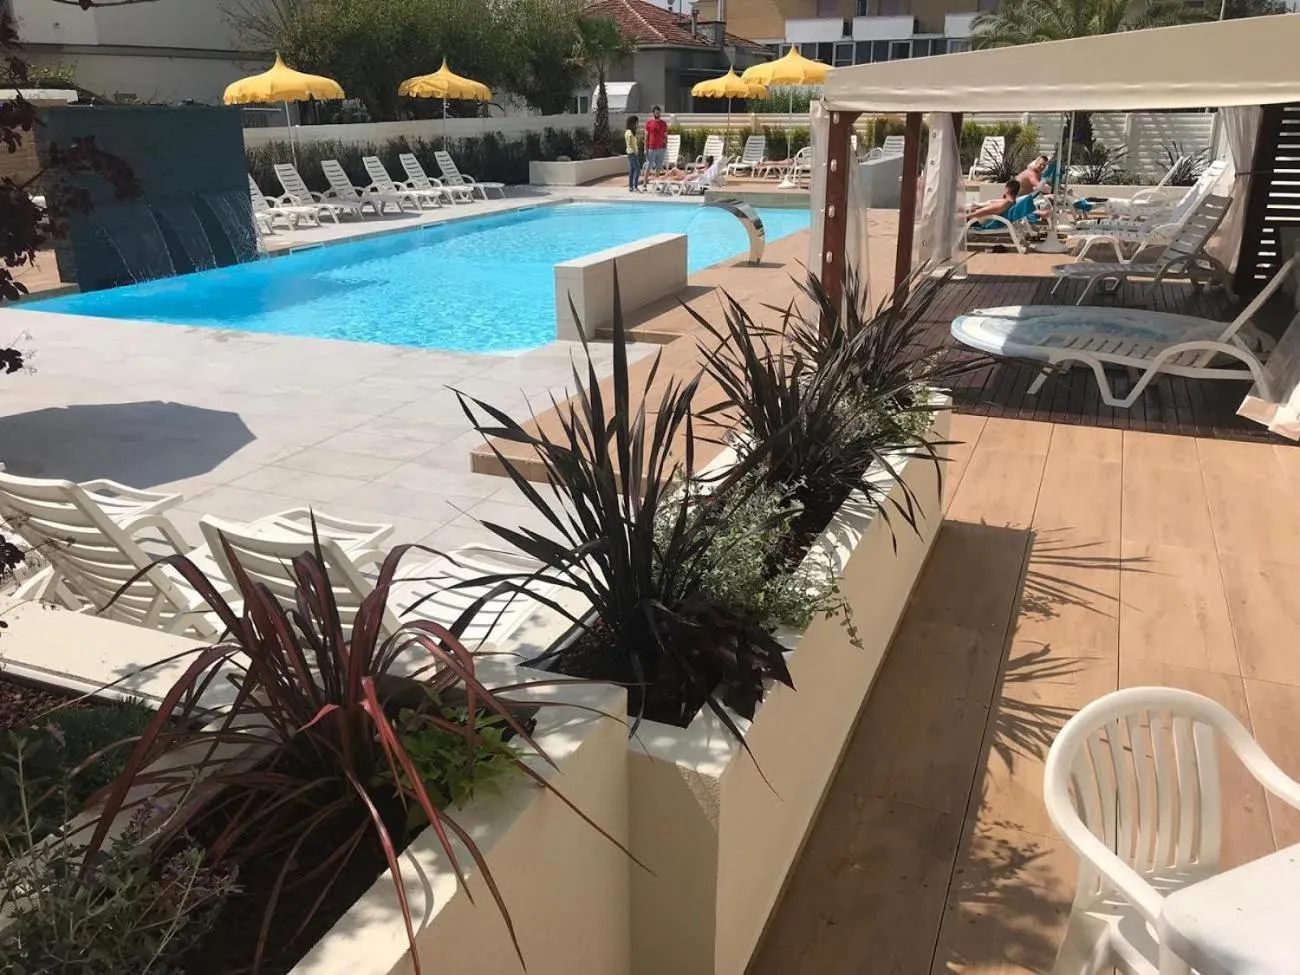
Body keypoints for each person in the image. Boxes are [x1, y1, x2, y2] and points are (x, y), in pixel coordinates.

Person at [644, 106, 668, 180]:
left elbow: (666, 136)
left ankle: (656, 183)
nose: (658, 114)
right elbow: (646, 137)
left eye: (659, 112)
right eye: (656, 112)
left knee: (658, 166)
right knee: (649, 166)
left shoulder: (663, 123)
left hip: (661, 148)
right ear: (653, 113)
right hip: (652, 148)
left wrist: (665, 146)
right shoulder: (649, 123)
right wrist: (645, 148)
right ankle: (645, 183)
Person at [625, 116, 641, 193]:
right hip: (632, 153)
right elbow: (631, 143)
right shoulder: (629, 132)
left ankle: (631, 186)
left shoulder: (631, 132)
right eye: (636, 122)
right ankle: (635, 186)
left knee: (632, 169)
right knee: (637, 170)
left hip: (632, 153)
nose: (637, 124)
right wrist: (635, 151)